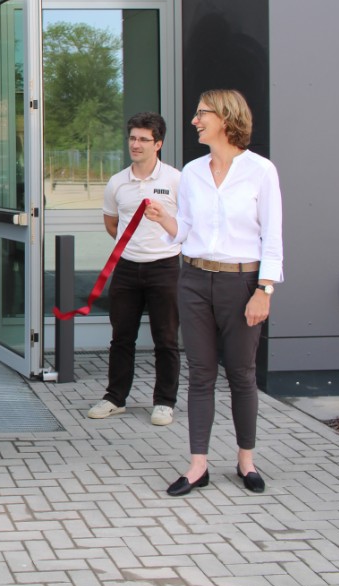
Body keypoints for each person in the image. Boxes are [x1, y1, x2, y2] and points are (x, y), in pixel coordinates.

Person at [144, 89, 283, 496]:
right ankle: (198, 466)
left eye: (201, 113)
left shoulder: (260, 171)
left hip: (242, 283)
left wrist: (264, 290)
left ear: (225, 117)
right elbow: (186, 230)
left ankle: (246, 461)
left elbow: (272, 238)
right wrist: (164, 219)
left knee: (241, 373)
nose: (194, 120)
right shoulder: (192, 172)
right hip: (193, 280)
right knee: (201, 373)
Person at [87, 112, 181, 426]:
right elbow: (112, 223)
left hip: (164, 267)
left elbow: (187, 225)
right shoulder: (117, 182)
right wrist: (134, 246)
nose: (135, 144)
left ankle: (164, 402)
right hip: (127, 268)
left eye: (143, 139)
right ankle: (115, 398)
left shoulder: (176, 180)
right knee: (121, 337)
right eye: (132, 138)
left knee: (166, 338)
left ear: (158, 144)